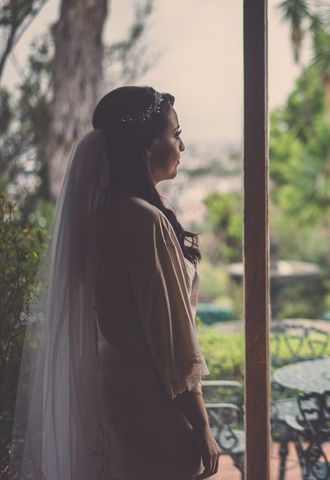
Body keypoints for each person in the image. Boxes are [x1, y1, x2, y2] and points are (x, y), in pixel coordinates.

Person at [11, 86, 220, 480]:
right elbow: (172, 340)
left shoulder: (104, 217)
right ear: (147, 146)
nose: (183, 145)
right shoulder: (143, 220)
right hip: (156, 404)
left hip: (116, 395)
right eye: (176, 134)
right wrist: (202, 425)